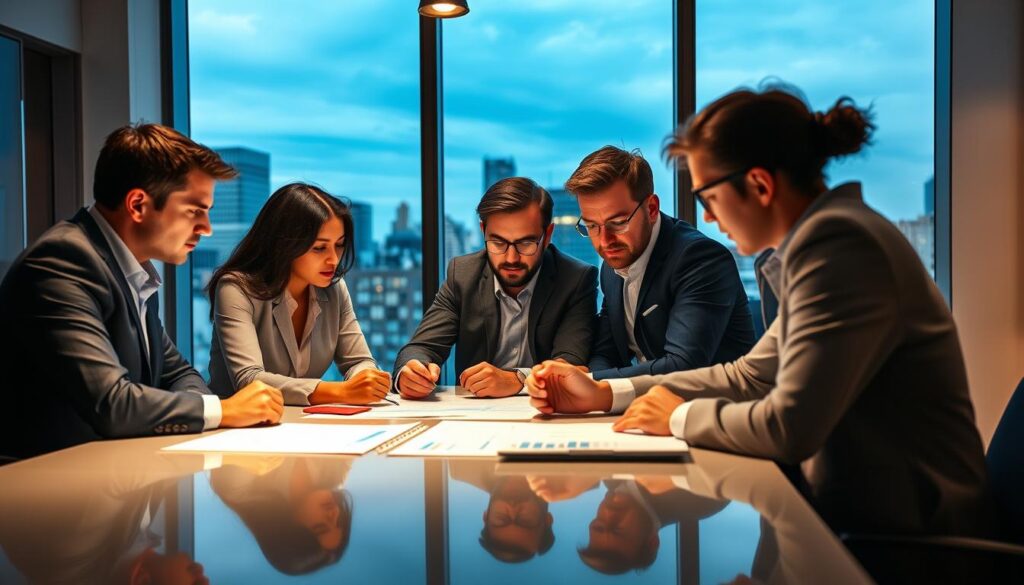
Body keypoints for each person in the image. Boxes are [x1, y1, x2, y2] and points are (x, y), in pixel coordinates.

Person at [526, 85, 995, 538]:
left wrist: (676, 417)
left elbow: (788, 427)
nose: (708, 217)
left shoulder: (840, 245)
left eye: (708, 196)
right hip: (861, 516)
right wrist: (605, 395)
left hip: (912, 539)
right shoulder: (823, 242)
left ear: (759, 185)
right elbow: (750, 376)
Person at [0, 123, 283, 460]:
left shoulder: (132, 273)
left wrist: (211, 408)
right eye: (195, 211)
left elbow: (177, 373)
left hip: (104, 475)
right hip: (42, 489)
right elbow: (112, 403)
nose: (206, 229)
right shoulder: (62, 262)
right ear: (137, 205)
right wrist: (223, 411)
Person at [394, 177, 597, 399]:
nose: (511, 258)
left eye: (526, 243)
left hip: (548, 412)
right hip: (475, 418)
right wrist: (411, 371)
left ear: (547, 235)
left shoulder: (575, 279)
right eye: (498, 243)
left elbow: (570, 366)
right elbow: (421, 347)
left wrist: (517, 379)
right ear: (483, 231)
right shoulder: (462, 274)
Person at [564, 146, 754, 380]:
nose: (604, 241)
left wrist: (592, 383)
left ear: (652, 208)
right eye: (591, 226)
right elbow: (606, 352)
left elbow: (683, 366)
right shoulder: (612, 265)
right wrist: (582, 380)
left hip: (714, 408)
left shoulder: (700, 259)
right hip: (653, 405)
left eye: (619, 222)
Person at [206, 183, 390, 405]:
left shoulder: (334, 288)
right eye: (319, 248)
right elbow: (249, 380)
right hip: (237, 427)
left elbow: (358, 360)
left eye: (339, 245)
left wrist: (366, 378)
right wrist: (342, 391)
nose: (333, 259)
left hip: (301, 424)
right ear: (285, 244)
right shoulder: (236, 289)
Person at [210, 457, 354, 575]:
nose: (335, 512)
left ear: (291, 533)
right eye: (339, 521)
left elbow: (245, 438)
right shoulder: (333, 478)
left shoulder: (238, 491)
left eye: (320, 527)